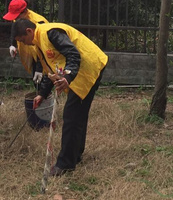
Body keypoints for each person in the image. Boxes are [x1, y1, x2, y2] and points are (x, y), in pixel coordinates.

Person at [13, 19, 108, 176]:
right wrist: (42, 94)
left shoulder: (50, 33)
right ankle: (75, 155)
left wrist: (68, 78)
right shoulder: (38, 43)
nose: (24, 44)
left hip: (88, 67)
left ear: (29, 31)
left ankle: (65, 165)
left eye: (22, 40)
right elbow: (49, 71)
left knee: (71, 117)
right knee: (77, 115)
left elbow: (73, 54)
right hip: (79, 71)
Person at [3, 0, 48, 85]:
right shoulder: (18, 19)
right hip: (30, 54)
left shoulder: (38, 22)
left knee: (43, 83)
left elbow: (43, 48)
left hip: (42, 56)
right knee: (36, 83)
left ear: (24, 12)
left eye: (16, 17)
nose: (15, 19)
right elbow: (15, 30)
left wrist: (39, 68)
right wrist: (12, 45)